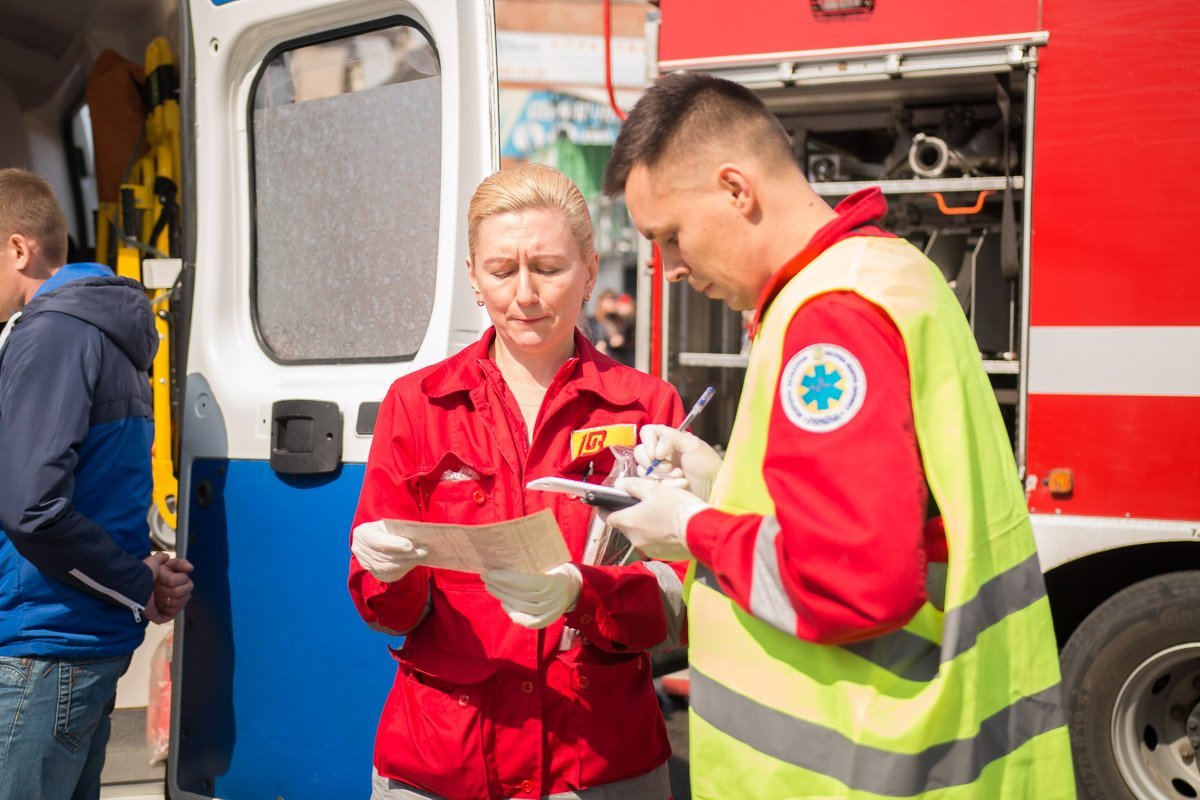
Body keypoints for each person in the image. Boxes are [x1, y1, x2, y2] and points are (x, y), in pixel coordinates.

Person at [600, 73, 1074, 799]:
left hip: (861, 768)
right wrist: (719, 482)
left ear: (735, 189)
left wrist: (694, 529)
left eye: (670, 236)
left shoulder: (829, 317)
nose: (672, 269)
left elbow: (851, 583)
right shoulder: (889, 270)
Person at [348, 163, 687, 800]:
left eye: (550, 268)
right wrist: (386, 572)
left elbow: (676, 604)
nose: (525, 294)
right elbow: (382, 610)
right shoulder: (417, 404)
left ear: (589, 270)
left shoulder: (646, 408)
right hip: (445, 761)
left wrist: (583, 595)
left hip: (596, 758)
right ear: (474, 277)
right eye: (502, 271)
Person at [0, 167, 194, 800]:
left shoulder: (52, 332)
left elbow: (33, 510)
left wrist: (138, 582)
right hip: (77, 638)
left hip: (43, 644)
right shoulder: (101, 325)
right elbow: (97, 486)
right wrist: (135, 577)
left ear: (19, 249)